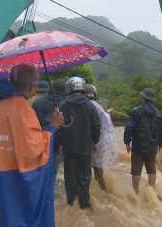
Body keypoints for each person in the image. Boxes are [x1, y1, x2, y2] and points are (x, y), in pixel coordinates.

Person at [0, 64, 64, 227]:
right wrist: (53, 126)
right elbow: (34, 152)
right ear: (32, 86)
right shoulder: (22, 108)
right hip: (9, 184)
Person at [59, 77, 101, 209]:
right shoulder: (90, 105)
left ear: (70, 88)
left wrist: (61, 143)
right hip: (85, 148)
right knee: (84, 176)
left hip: (68, 148)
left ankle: (71, 203)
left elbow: (58, 127)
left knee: (70, 176)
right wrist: (94, 141)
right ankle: (84, 204)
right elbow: (97, 126)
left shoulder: (62, 105)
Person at [124, 88, 162, 194]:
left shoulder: (135, 111)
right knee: (151, 167)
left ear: (143, 98)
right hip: (153, 146)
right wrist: (161, 144)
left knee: (136, 169)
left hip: (138, 145)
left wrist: (127, 142)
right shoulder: (159, 114)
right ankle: (151, 191)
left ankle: (136, 192)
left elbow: (129, 128)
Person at [32, 79, 66, 188]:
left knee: (38, 172)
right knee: (52, 174)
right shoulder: (64, 104)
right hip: (55, 143)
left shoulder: (37, 102)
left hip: (37, 142)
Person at [84, 84, 119, 191]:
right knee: (97, 166)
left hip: (100, 139)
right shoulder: (96, 104)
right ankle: (103, 191)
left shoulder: (89, 105)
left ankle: (103, 192)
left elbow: (92, 125)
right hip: (107, 138)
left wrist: (93, 142)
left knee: (96, 168)